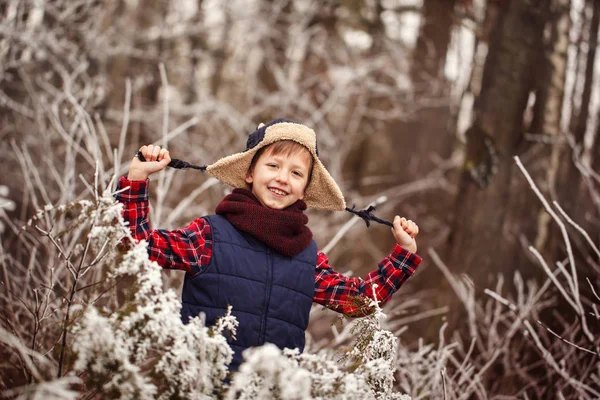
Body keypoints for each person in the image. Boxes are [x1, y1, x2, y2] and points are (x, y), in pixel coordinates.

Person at [115, 118, 421, 371]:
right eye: (273, 166)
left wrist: (403, 255)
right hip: (201, 383)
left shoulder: (306, 258)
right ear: (250, 173)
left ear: (304, 191)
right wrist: (137, 179)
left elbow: (358, 301)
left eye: (296, 173)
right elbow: (139, 246)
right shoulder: (210, 236)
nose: (283, 179)